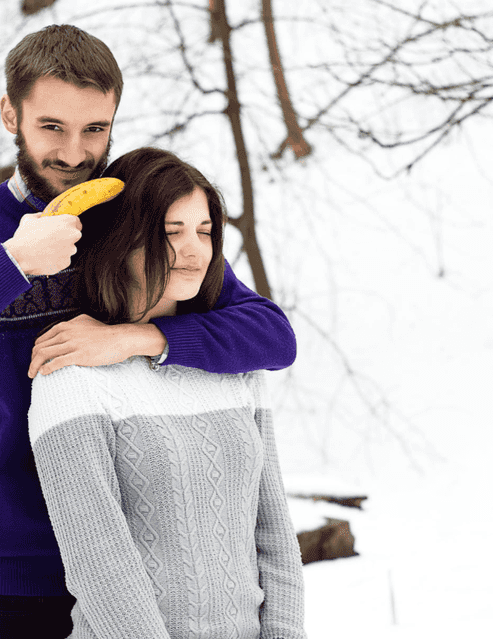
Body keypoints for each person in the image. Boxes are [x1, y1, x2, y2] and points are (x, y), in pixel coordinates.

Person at [0, 25, 296, 639]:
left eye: (95, 129)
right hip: (22, 580)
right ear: (11, 114)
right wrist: (11, 264)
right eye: (52, 127)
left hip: (150, 570)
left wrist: (135, 339)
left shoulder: (132, 222)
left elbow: (270, 334)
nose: (74, 152)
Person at [29, 147, 306, 639]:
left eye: (205, 231)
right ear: (122, 240)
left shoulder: (234, 365)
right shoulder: (71, 378)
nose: (194, 250)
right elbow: (100, 566)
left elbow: (274, 536)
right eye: (171, 232)